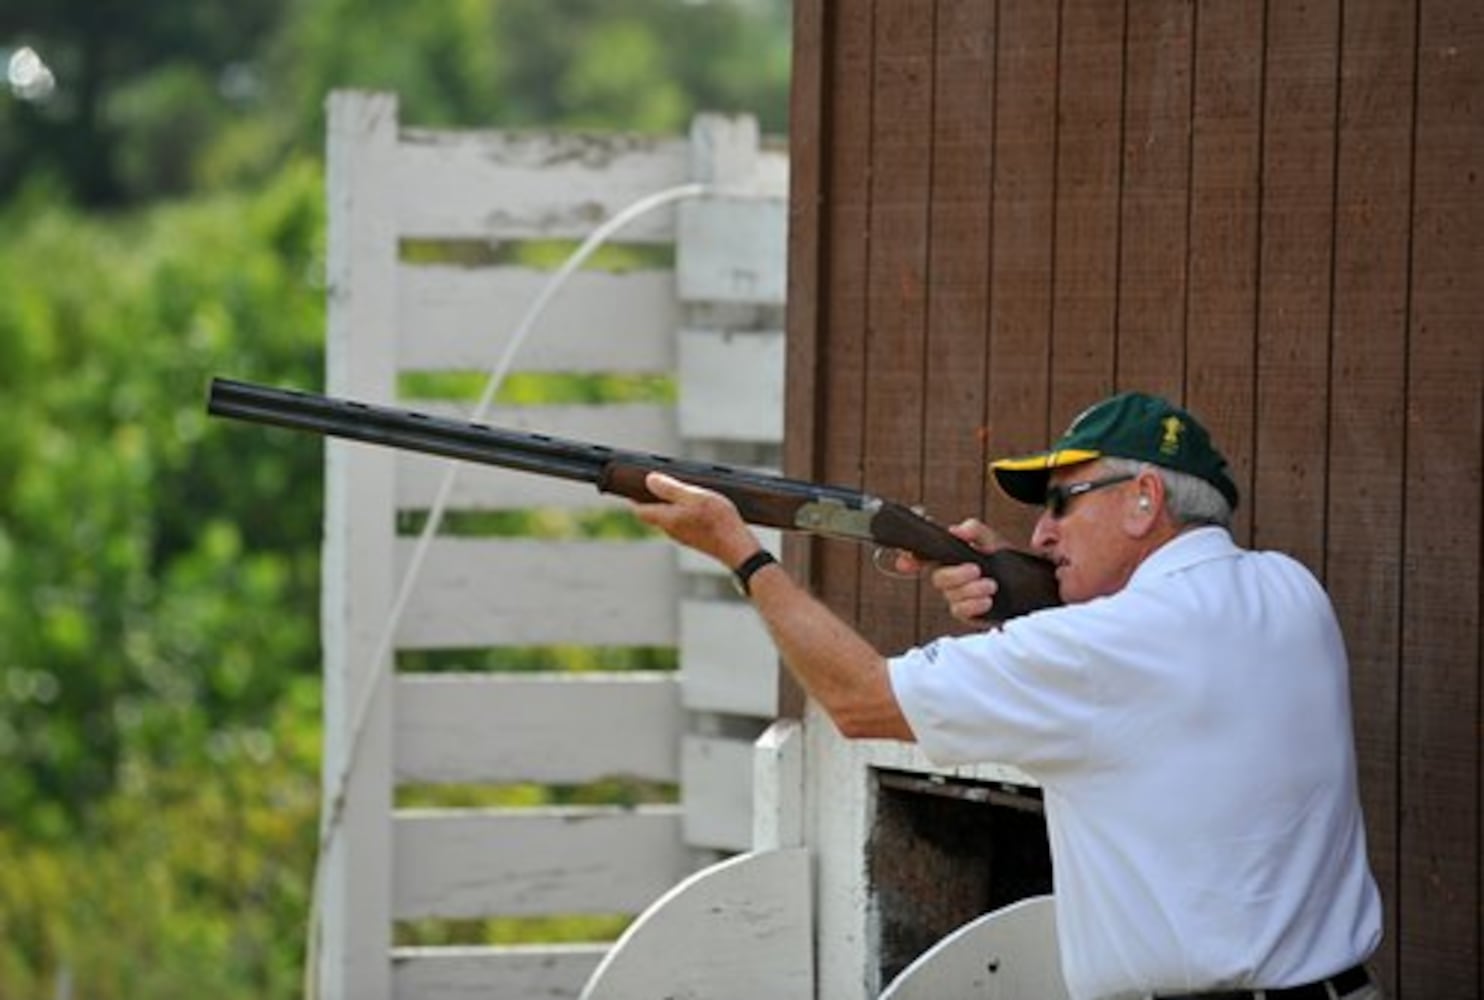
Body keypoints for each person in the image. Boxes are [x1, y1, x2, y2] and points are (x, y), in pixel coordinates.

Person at [633, 391, 1383, 1000]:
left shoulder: (1101, 648)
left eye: (1062, 502)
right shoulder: (1288, 589)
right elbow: (1157, 667)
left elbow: (860, 702)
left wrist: (741, 552)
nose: (1041, 532)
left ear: (1144, 500)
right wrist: (1018, 602)